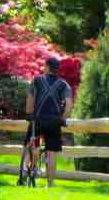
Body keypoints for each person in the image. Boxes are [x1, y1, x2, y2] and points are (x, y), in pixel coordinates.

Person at [24, 56, 73, 188]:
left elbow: (30, 102)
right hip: (54, 122)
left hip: (38, 119)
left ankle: (25, 172)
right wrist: (63, 119)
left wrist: (29, 114)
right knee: (52, 152)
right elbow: (69, 105)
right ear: (57, 69)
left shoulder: (36, 81)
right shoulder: (64, 85)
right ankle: (50, 183)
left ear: (46, 67)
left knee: (31, 144)